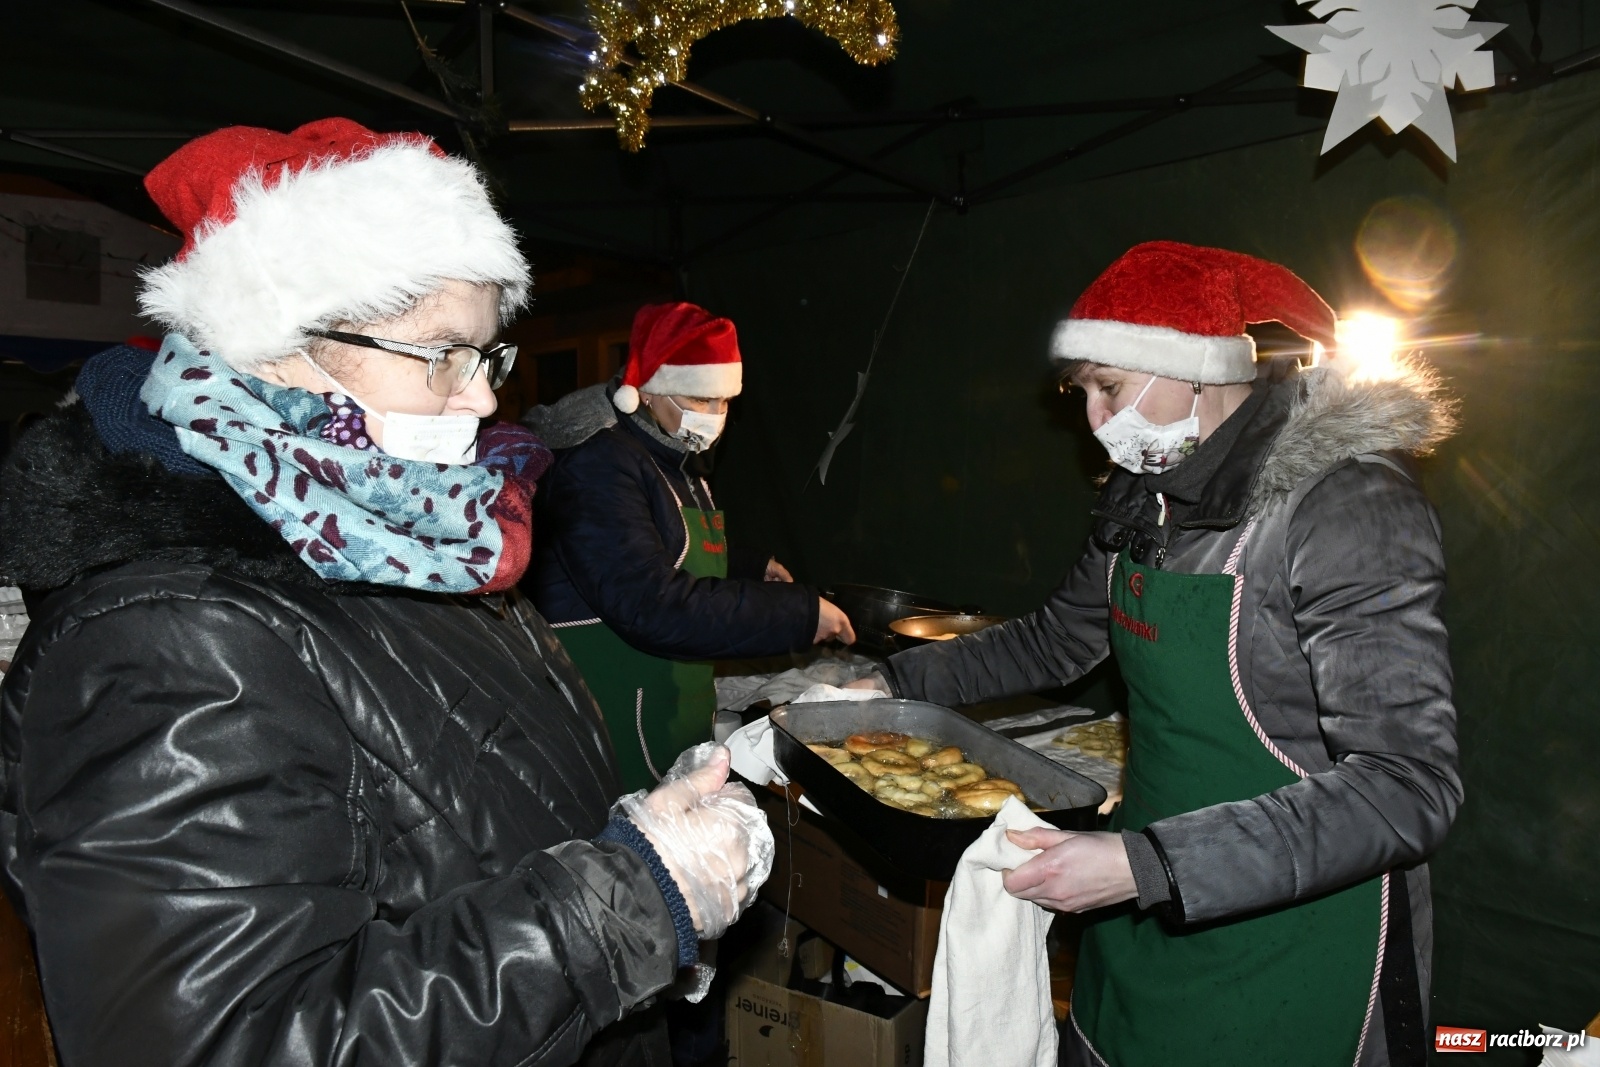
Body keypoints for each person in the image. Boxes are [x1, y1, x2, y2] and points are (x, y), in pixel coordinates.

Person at [0, 118, 771, 1067]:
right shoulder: (166, 641)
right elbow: (226, 1043)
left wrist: (644, 847)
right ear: (275, 338)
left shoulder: (413, 534)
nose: (485, 399)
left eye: (486, 356)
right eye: (440, 352)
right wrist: (632, 900)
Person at [851, 241, 1461, 1067]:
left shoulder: (1348, 506)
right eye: (1085, 394)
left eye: (1109, 386)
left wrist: (1148, 865)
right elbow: (1058, 636)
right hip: (1144, 921)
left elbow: (1406, 787)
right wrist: (888, 686)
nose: (1096, 422)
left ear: (1198, 372)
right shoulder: (1148, 496)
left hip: (1297, 938)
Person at [527, 303, 854, 792]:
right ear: (646, 391)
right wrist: (797, 614)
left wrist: (746, 565)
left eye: (723, 402)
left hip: (666, 702)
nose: (713, 417)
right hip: (608, 712)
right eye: (698, 400)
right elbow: (647, 602)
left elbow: (662, 541)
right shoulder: (597, 464)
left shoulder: (671, 452)